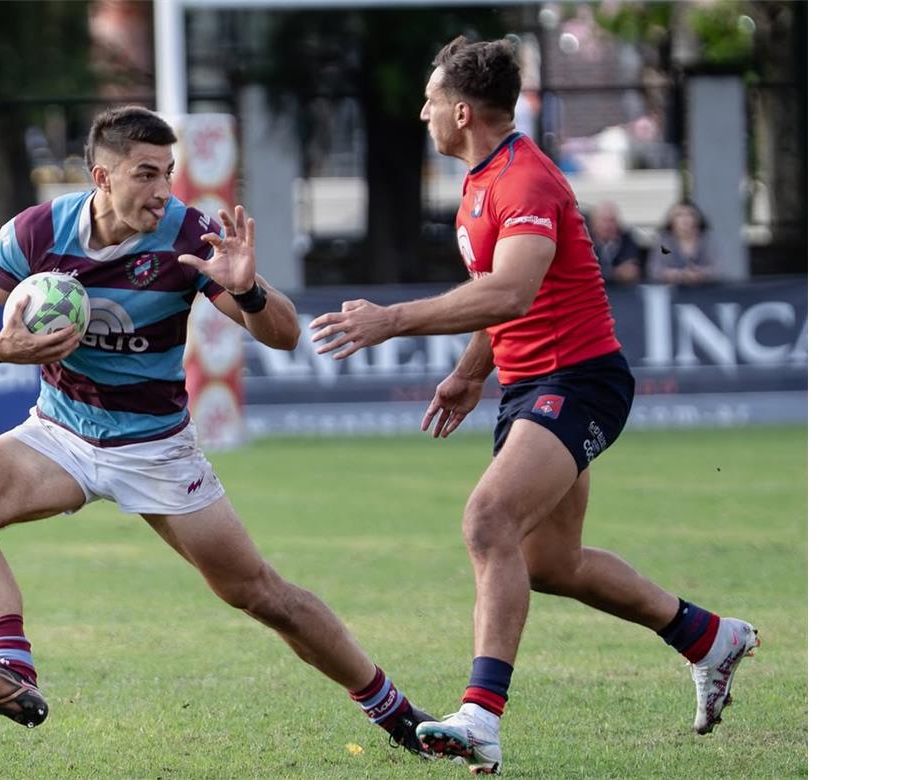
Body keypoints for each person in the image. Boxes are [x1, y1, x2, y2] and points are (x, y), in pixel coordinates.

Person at [309, 37, 758, 774]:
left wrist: (391, 319)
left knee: (489, 522)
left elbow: (511, 291)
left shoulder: (524, 182)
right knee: (551, 563)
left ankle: (480, 719)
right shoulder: (482, 179)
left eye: (429, 101)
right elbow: (508, 300)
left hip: (578, 381)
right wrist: (469, 372)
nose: (421, 113)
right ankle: (708, 637)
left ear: (460, 111)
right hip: (530, 385)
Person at [0, 106, 434, 757]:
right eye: (146, 174)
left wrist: (248, 292)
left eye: (169, 173)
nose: (163, 190)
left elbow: (281, 336)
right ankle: (12, 674)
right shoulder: (38, 233)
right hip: (61, 433)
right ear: (101, 177)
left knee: (258, 594)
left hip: (154, 447)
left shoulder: (188, 237)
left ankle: (396, 713)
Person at [650, 201, 715, 285]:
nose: (685, 219)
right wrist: (679, 275)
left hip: (704, 291)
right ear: (671, 220)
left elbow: (718, 269)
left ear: (697, 219)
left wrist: (701, 273)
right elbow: (655, 270)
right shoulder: (664, 242)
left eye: (689, 214)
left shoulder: (707, 240)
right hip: (671, 291)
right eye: (679, 215)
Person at [587, 202, 644, 284]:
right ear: (593, 223)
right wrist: (615, 273)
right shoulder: (583, 242)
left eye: (611, 220)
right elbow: (585, 272)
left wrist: (603, 272)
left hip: (622, 292)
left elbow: (631, 271)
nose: (607, 226)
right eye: (604, 220)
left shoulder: (628, 240)